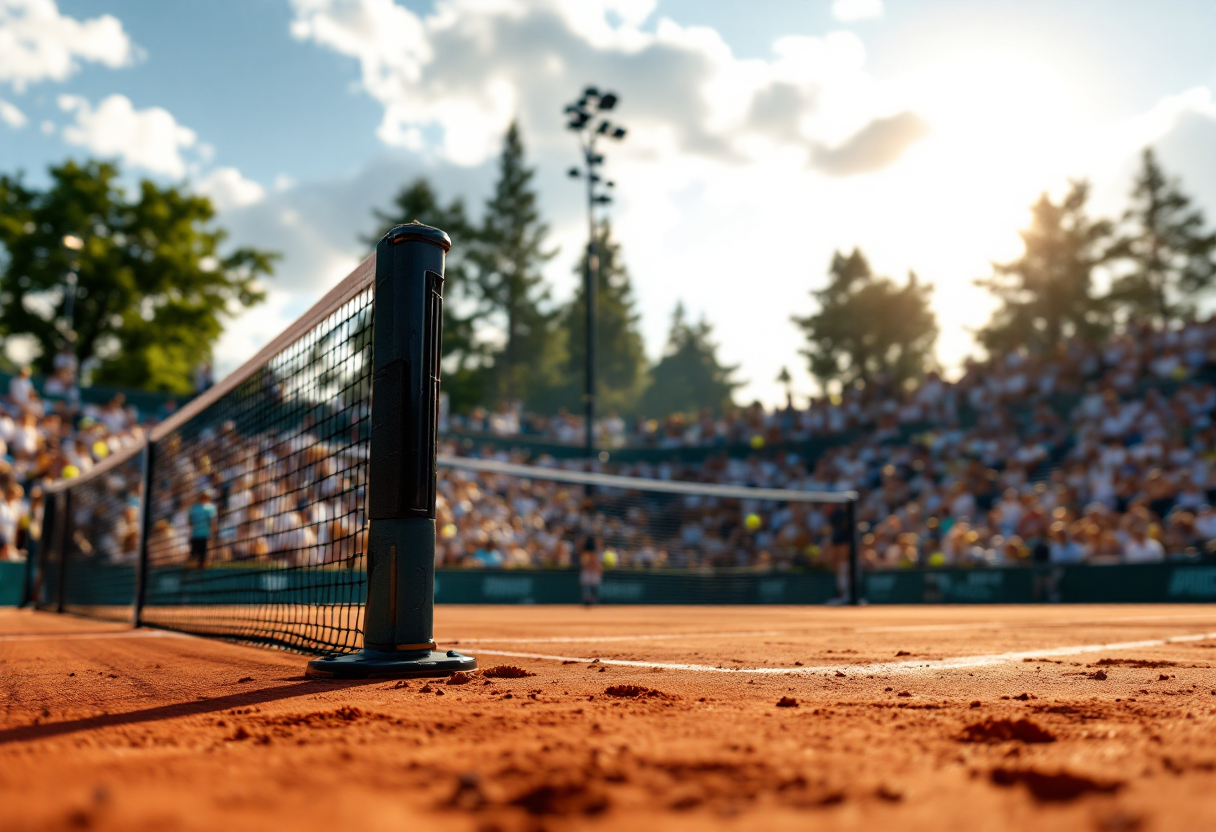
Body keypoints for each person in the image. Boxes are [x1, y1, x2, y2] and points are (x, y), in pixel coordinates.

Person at [188, 491, 218, 569]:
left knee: (196, 557)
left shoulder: (194, 508)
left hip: (197, 535)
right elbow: (213, 522)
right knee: (203, 558)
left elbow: (190, 522)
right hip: (204, 535)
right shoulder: (210, 508)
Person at [579, 533, 603, 607]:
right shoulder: (587, 552)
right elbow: (585, 564)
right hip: (588, 572)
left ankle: (592, 600)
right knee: (588, 587)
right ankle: (588, 600)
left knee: (592, 587)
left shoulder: (597, 551)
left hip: (592, 572)